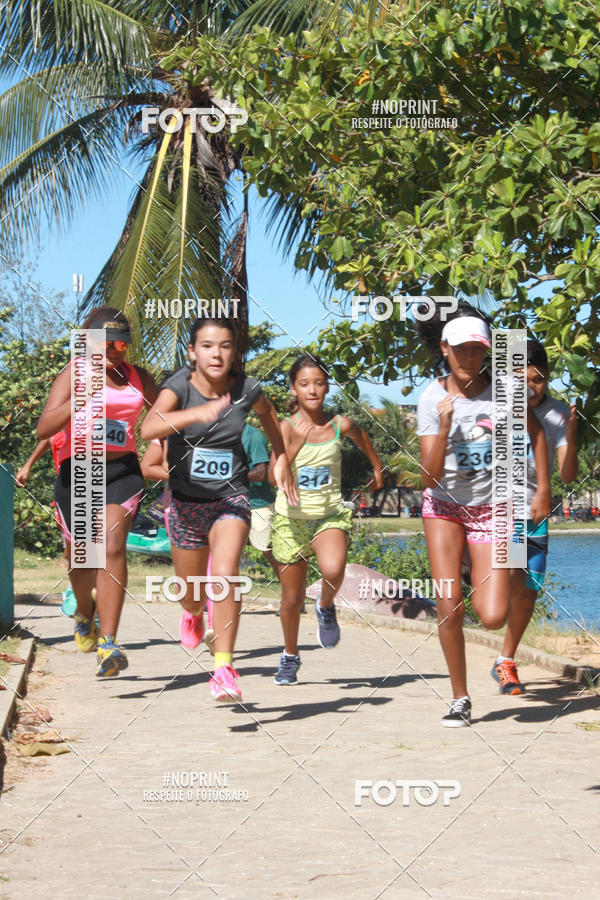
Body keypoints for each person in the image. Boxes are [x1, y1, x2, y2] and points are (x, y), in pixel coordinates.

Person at [141, 315, 297, 703]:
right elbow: (149, 428)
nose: (216, 354)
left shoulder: (246, 388)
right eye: (207, 346)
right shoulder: (179, 386)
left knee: (225, 574)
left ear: (235, 352)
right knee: (191, 593)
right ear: (192, 352)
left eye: (225, 346)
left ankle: (224, 669)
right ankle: (193, 613)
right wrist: (195, 414)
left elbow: (268, 414)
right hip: (185, 503)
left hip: (231, 498)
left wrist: (281, 457)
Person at [417, 302, 551, 726]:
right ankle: (460, 697)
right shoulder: (431, 397)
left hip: (494, 508)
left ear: (487, 351)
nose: (469, 358)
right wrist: (444, 427)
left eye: (477, 349)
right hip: (444, 508)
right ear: (445, 348)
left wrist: (543, 489)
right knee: (449, 606)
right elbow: (427, 476)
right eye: (460, 349)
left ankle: (470, 566)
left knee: (493, 616)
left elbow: (537, 433)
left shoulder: (507, 392)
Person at [36, 307, 158, 677]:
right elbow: (44, 428)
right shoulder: (73, 374)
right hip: (78, 473)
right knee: (82, 562)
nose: (115, 351)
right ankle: (84, 612)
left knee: (111, 545)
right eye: (106, 344)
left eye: (121, 344)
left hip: (122, 472)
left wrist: (159, 452)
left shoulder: (140, 378)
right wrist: (78, 400)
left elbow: (162, 420)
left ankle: (109, 642)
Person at [270, 354, 383, 685]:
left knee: (333, 569)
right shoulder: (286, 427)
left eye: (319, 383)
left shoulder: (339, 425)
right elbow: (274, 474)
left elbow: (361, 435)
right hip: (290, 520)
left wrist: (377, 466)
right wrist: (295, 445)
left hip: (328, 515)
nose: (312, 390)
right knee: (291, 599)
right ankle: (290, 656)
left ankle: (325, 605)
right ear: (294, 389)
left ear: (327, 387)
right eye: (304, 384)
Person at [491, 339, 579, 694]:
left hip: (536, 512)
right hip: (501, 509)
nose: (530, 386)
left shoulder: (556, 414)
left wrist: (572, 432)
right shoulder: (494, 406)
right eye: (521, 379)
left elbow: (568, 475)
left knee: (529, 592)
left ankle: (505, 661)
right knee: (512, 576)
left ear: (548, 377)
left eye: (538, 379)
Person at [15, 432, 81, 616]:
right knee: (70, 551)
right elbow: (47, 438)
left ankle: (82, 594)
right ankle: (74, 588)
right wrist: (28, 465)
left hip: (92, 491)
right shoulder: (60, 432)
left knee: (88, 547)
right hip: (66, 494)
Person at [241, 423, 280, 579]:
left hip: (257, 505)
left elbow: (261, 473)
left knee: (270, 552)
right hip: (228, 503)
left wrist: (231, 477)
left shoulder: (253, 436)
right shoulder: (216, 432)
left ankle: (291, 590)